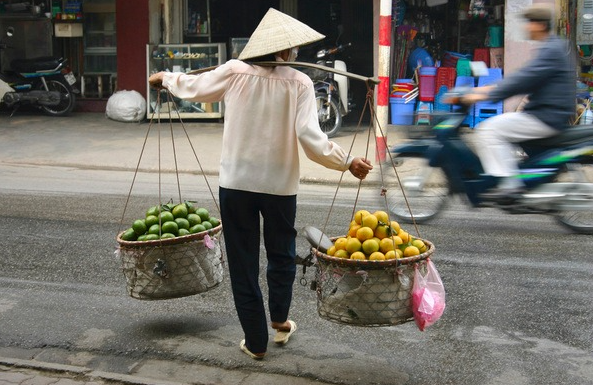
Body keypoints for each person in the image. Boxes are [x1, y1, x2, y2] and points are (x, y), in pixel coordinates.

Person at [148, 8, 373, 360]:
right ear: (282, 52)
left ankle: (256, 342)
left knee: (243, 261)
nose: (294, 55)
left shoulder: (235, 72)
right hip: (280, 185)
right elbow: (311, 139)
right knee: (281, 254)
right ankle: (280, 321)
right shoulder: (298, 82)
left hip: (237, 183)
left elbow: (193, 87)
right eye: (292, 50)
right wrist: (346, 162)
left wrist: (164, 79)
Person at [461, 4, 576, 200]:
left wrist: (487, 94)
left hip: (546, 117)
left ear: (539, 25)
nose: (526, 27)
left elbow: (523, 79)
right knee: (505, 126)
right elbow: (526, 78)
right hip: (547, 113)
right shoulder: (552, 46)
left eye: (529, 23)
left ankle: (508, 184)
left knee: (488, 130)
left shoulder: (550, 49)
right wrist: (488, 89)